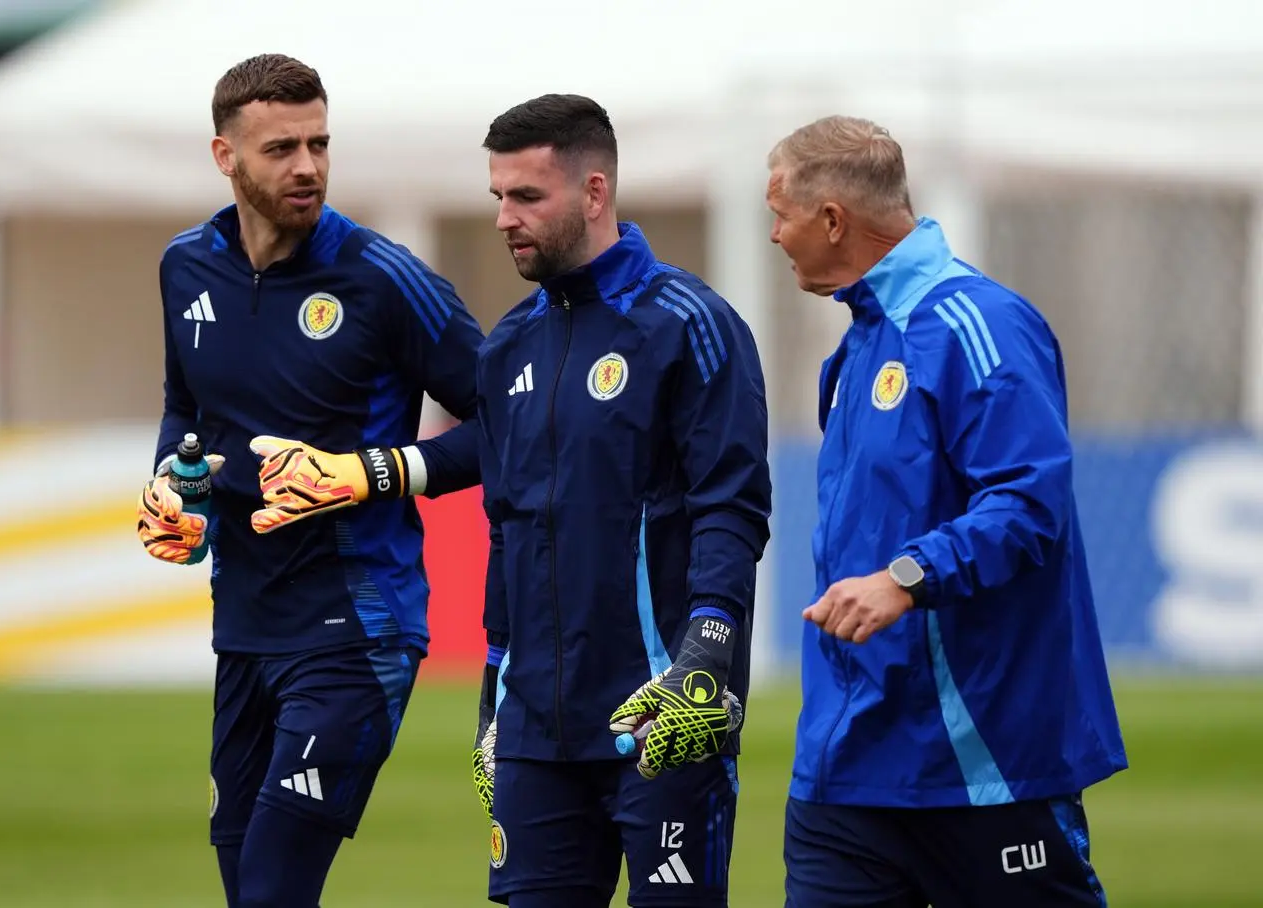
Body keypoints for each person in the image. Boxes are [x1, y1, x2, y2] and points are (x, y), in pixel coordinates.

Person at [133, 54, 484, 908]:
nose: (307, 166)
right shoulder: (186, 268)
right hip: (246, 628)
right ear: (226, 156)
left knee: (271, 890)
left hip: (357, 631)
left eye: (320, 143)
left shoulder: (381, 277)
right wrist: (177, 495)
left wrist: (381, 471)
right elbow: (189, 413)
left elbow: (515, 420)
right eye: (281, 147)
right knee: (245, 886)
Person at [766, 115, 1128, 908]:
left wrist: (906, 577)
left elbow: (1031, 503)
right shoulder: (859, 343)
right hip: (847, 761)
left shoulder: (979, 323)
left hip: (976, 759)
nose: (772, 235)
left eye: (780, 213)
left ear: (833, 220)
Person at [468, 94, 772, 908]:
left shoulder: (690, 325)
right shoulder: (504, 350)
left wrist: (707, 650)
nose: (504, 217)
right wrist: (492, 690)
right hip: (534, 732)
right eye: (498, 195)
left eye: (527, 196)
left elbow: (731, 506)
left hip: (662, 711)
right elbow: (506, 530)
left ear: (594, 193)